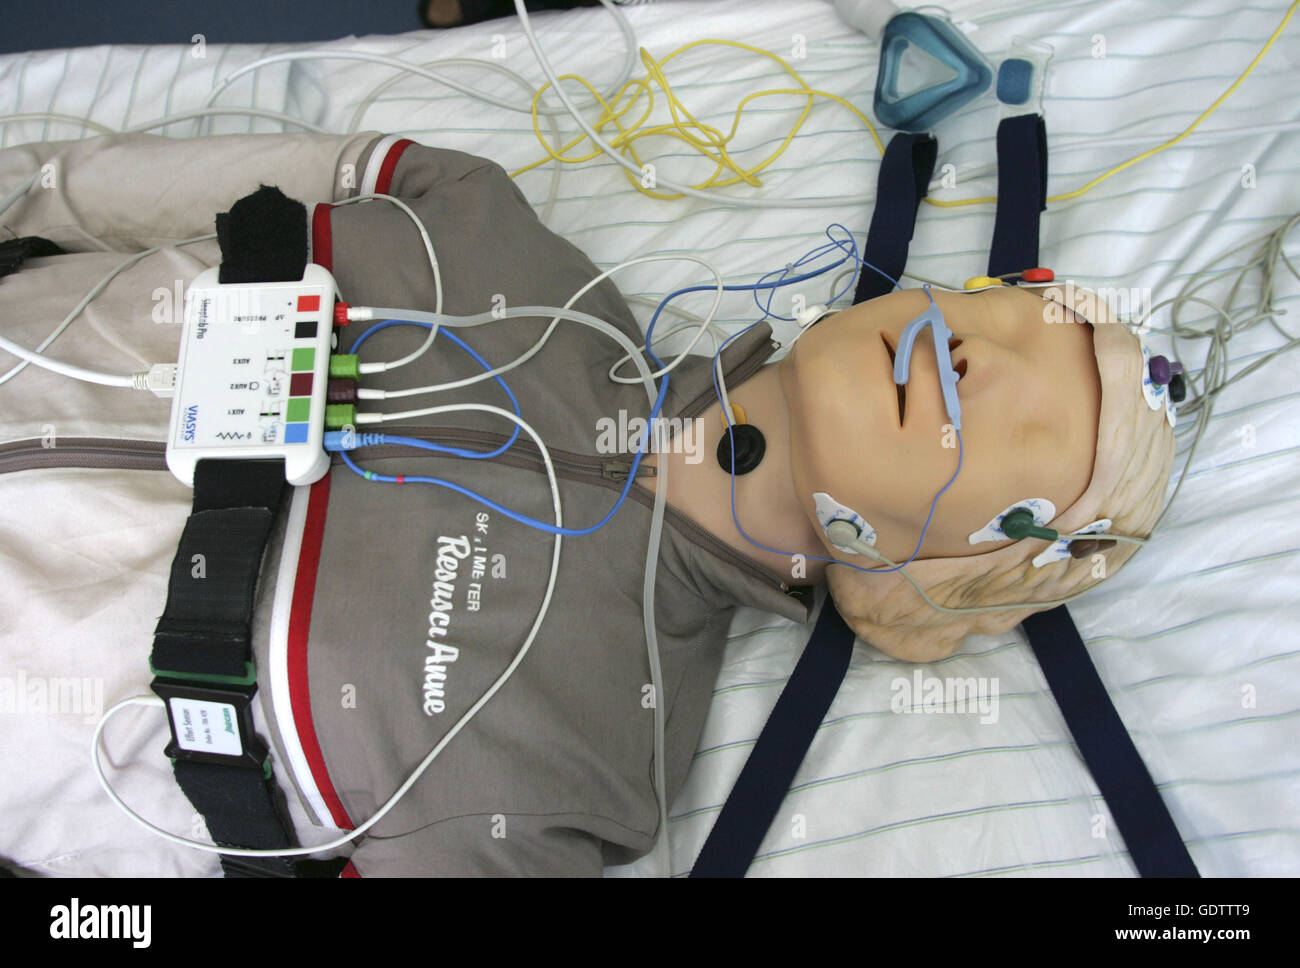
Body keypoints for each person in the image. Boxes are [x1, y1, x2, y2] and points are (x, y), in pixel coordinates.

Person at [0, 129, 1174, 876]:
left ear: (927, 578)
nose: (972, 355)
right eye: (997, 314)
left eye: (1026, 431)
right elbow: (68, 190)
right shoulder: (474, 218)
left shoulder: (574, 777)